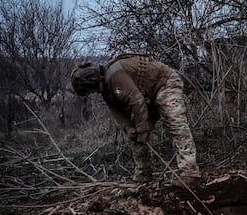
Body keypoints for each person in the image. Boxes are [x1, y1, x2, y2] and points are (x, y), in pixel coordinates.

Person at [70, 54, 200, 186]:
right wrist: (129, 128)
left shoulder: (114, 75)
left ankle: (189, 172)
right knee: (136, 135)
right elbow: (118, 113)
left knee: (175, 123)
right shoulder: (106, 88)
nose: (94, 92)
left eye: (91, 90)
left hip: (165, 83)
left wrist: (142, 128)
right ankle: (143, 174)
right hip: (148, 96)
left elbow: (136, 101)